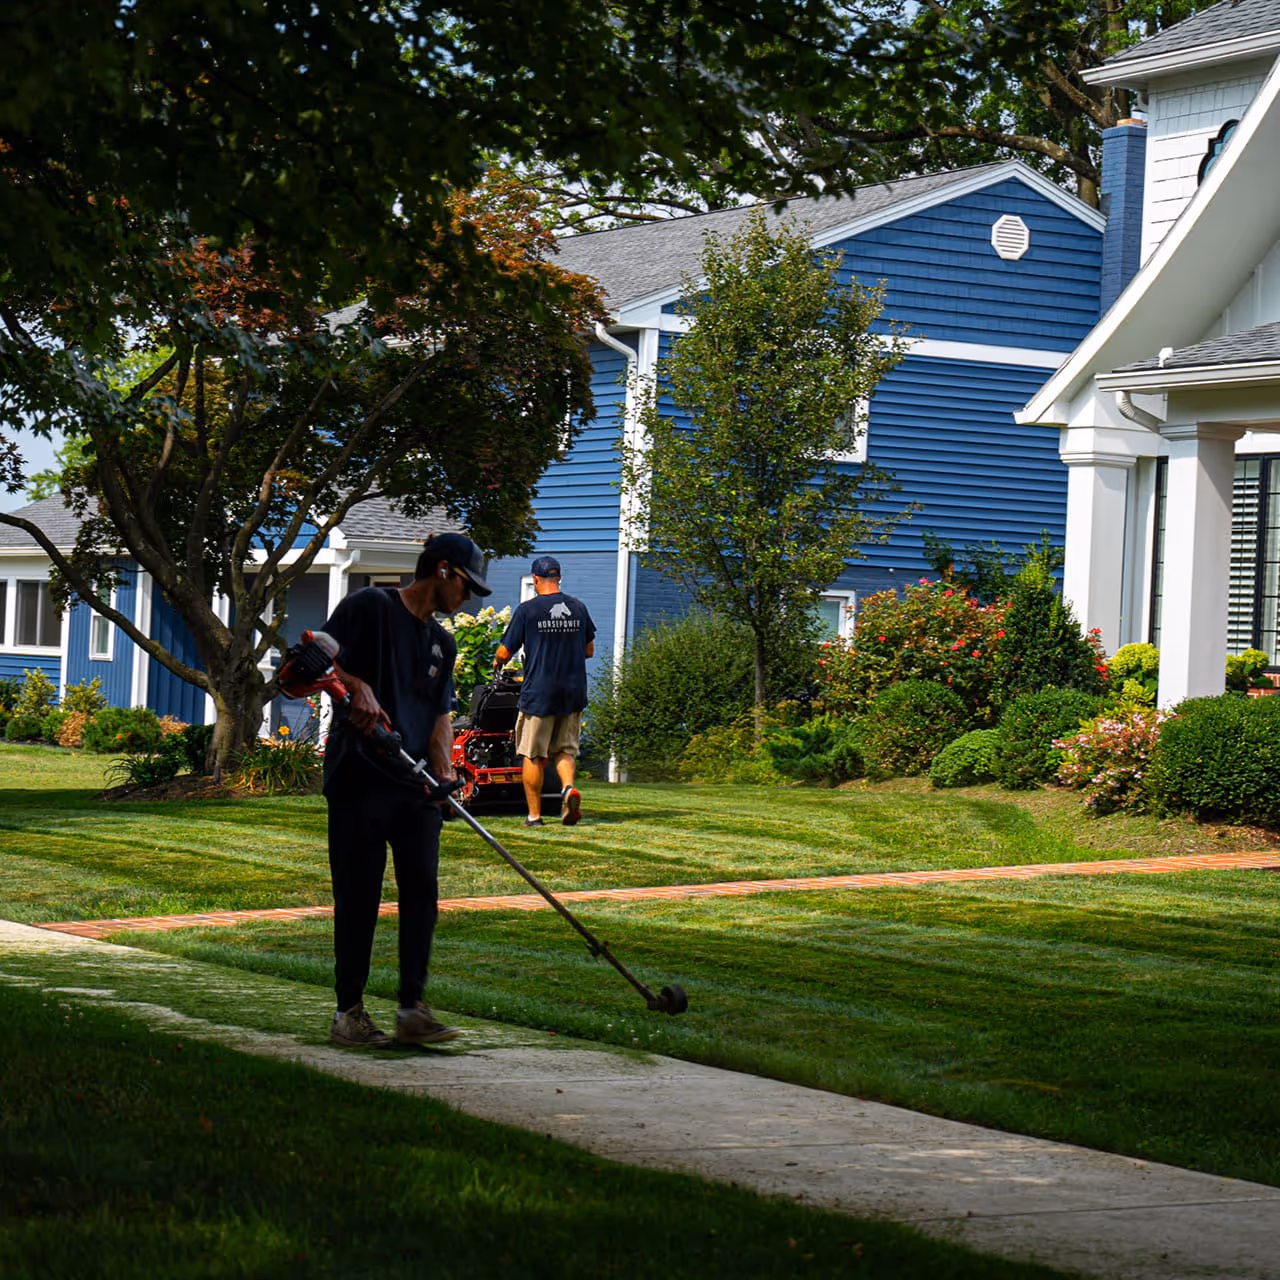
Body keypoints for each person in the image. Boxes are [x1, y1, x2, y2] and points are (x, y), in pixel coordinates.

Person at [321, 531, 492, 1048]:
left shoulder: (442, 642)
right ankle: (348, 1013)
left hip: (414, 786)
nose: (469, 598)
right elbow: (312, 660)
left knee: (422, 892)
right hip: (359, 778)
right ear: (442, 570)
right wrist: (355, 685)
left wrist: (443, 777)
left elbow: (440, 716)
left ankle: (412, 1008)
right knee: (361, 897)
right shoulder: (370, 606)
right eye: (467, 585)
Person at [493, 555, 596, 827]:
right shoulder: (578, 608)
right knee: (565, 751)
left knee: (533, 754)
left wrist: (497, 661)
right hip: (572, 692)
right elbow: (589, 650)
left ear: (535, 579)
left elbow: (505, 651)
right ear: (558, 578)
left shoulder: (528, 610)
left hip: (539, 693)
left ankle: (534, 816)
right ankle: (567, 790)